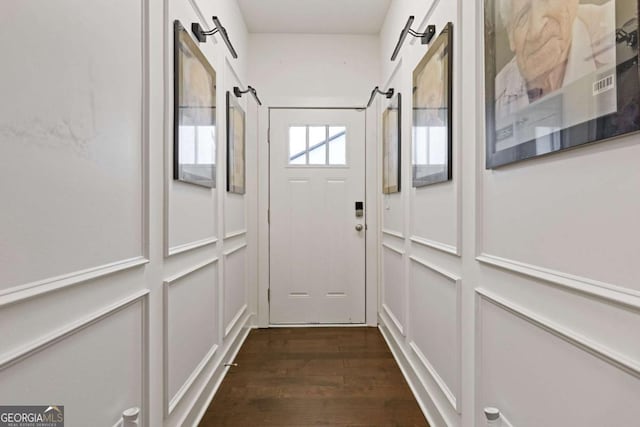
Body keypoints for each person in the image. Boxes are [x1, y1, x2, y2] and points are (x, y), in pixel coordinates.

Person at [495, 0, 616, 117]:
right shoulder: (498, 97)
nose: (536, 31)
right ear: (511, 37)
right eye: (522, 17)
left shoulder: (615, 35)